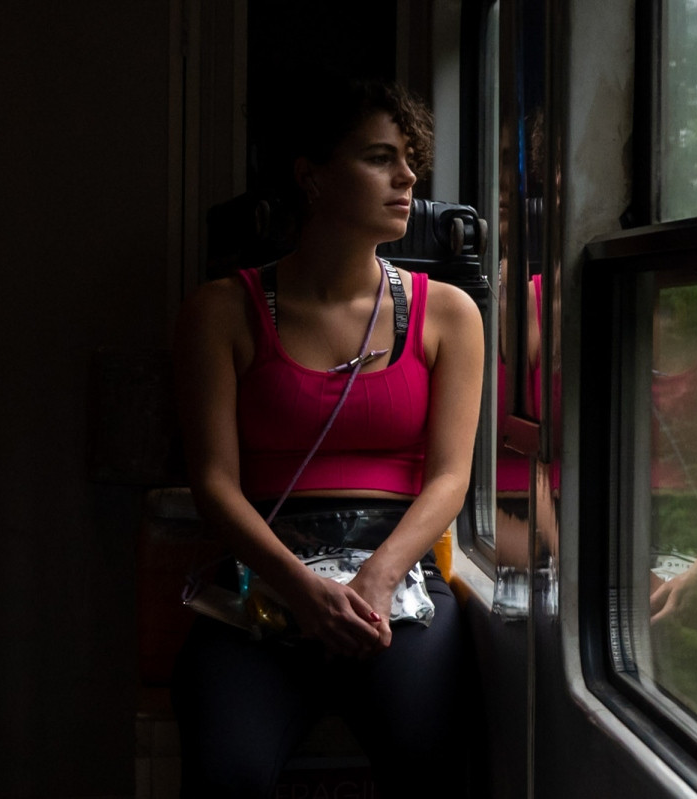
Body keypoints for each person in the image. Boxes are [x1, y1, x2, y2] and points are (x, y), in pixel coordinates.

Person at [170, 79, 484, 798]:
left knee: (431, 763)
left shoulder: (450, 315)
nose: (409, 177)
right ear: (310, 177)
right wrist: (301, 588)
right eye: (380, 157)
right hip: (264, 576)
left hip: (397, 582)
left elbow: (450, 479)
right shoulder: (220, 312)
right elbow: (213, 480)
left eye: (410, 158)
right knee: (229, 772)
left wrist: (372, 580)